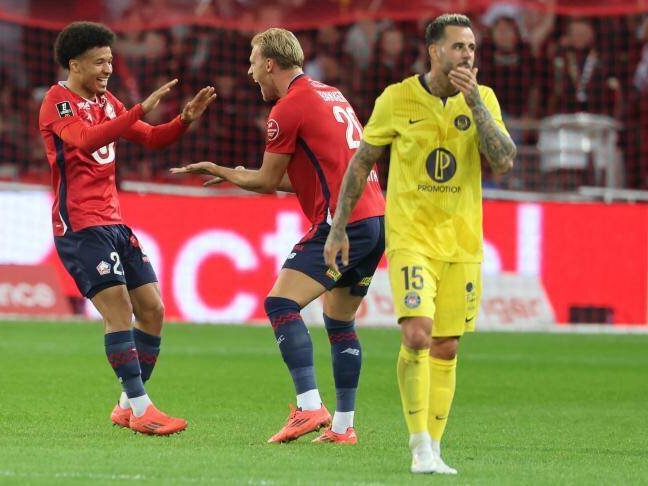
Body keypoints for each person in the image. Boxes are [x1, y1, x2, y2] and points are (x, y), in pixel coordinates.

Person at [171, 28, 385, 444]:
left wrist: (224, 170)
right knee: (339, 322)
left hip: (343, 222)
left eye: (253, 63)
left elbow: (268, 179)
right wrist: (233, 173)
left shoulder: (287, 108)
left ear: (270, 63)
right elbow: (305, 177)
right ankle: (343, 427)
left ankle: (308, 407)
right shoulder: (330, 93)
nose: (251, 74)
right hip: (376, 220)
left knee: (280, 303)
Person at [324, 14, 516, 474]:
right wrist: (338, 227)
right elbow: (361, 163)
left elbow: (504, 159)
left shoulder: (482, 99)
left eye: (471, 47)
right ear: (434, 51)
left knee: (447, 347)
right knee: (417, 333)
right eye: (458, 47)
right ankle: (418, 447)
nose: (467, 55)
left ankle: (435, 446)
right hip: (411, 238)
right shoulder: (397, 98)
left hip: (462, 242)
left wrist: (477, 105)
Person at [38, 21, 216, 436]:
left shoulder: (107, 100)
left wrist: (183, 120)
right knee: (118, 310)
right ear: (74, 63)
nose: (107, 69)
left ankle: (125, 405)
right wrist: (137, 110)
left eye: (110, 62)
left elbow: (152, 139)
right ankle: (143, 408)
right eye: (99, 62)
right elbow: (83, 140)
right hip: (78, 225)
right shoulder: (57, 102)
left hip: (114, 221)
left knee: (152, 309)